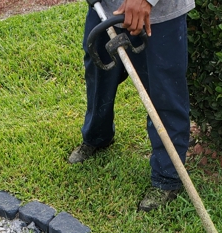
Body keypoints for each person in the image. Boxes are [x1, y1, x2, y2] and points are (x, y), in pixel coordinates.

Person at [68, 0, 195, 211]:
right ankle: (97, 137)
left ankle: (167, 176)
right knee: (99, 80)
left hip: (160, 13)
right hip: (104, 7)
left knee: (165, 92)